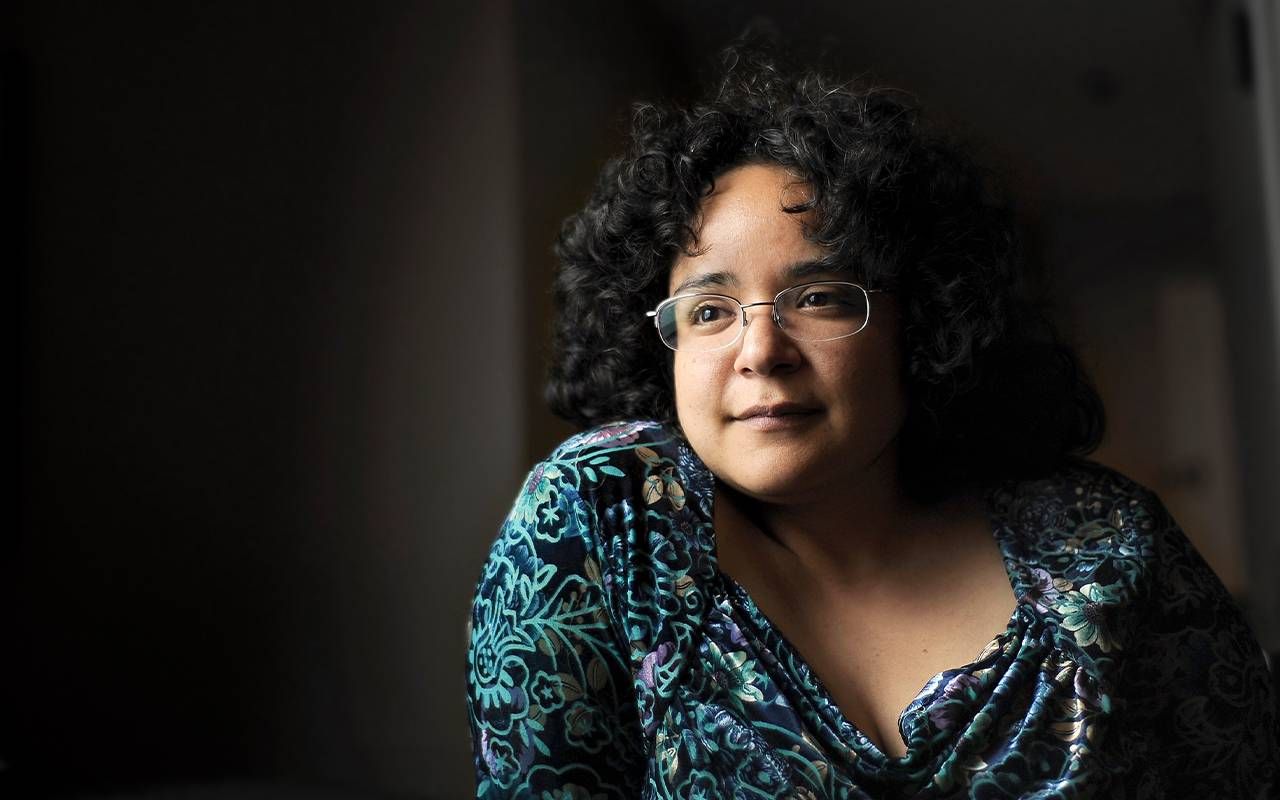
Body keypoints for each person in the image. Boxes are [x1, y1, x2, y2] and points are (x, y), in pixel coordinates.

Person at [465, 44, 1277, 799]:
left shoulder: (1108, 548)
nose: (760, 351)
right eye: (709, 309)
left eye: (817, 297)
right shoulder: (603, 520)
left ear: (920, 323)